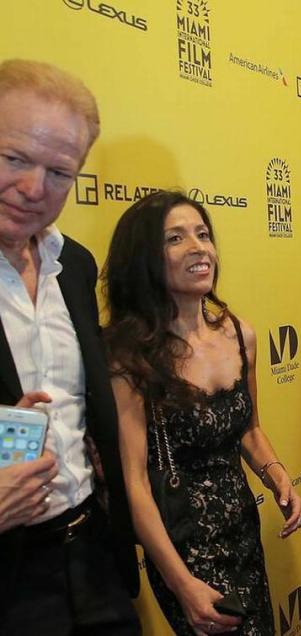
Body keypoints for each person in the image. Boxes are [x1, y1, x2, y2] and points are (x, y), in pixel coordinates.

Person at [103, 191, 301, 635]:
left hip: (242, 528)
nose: (199, 248)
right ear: (145, 260)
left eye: (203, 234)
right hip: (184, 543)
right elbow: (133, 483)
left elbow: (249, 428)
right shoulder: (130, 355)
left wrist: (276, 474)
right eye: (175, 238)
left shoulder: (238, 332)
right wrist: (180, 583)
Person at [0, 59, 141, 634]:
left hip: (92, 558)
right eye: (13, 159)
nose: (34, 189)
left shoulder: (74, 266)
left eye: (60, 172)